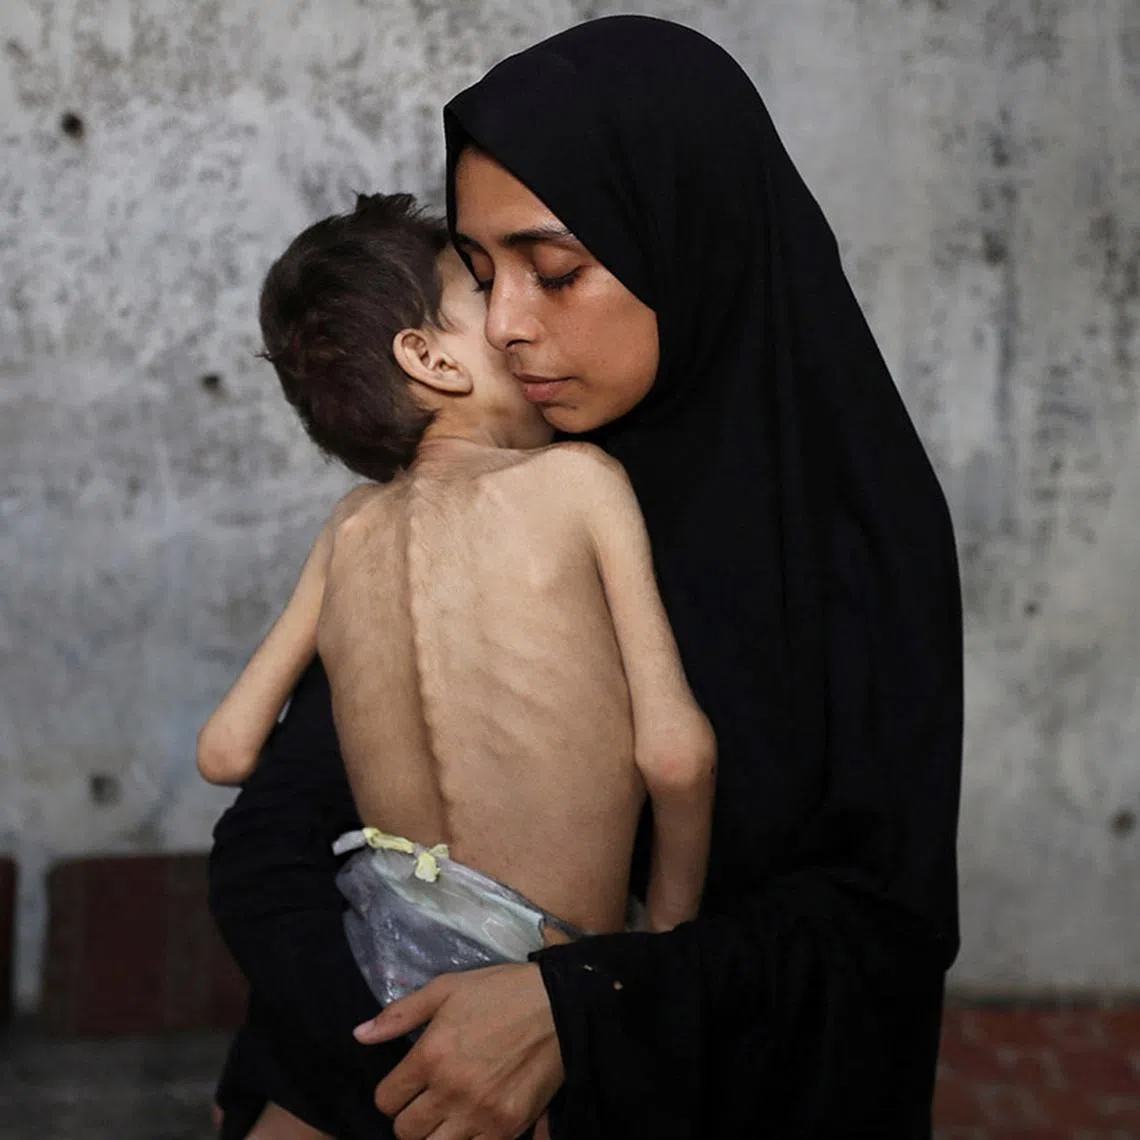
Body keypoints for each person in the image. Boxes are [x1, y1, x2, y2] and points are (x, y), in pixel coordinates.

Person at [210, 15, 962, 1139]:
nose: (507, 328)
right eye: (477, 274)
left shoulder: (848, 528)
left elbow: (875, 930)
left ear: (684, 239)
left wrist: (586, 1010)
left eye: (556, 272)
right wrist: (415, 1035)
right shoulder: (496, 489)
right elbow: (277, 829)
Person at [200, 192, 715, 1138]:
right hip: (533, 977)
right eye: (486, 295)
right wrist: (661, 957)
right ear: (430, 358)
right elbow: (676, 755)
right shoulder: (578, 484)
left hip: (367, 958)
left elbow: (228, 751)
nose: (523, 322)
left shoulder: (349, 526)